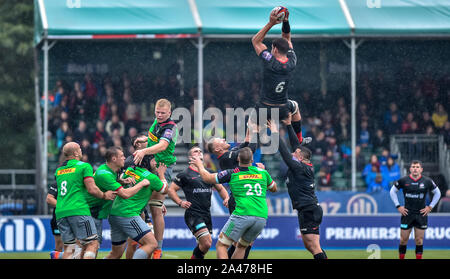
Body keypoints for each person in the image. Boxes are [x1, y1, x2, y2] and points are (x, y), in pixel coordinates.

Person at [191, 147, 277, 259]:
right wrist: (262, 174)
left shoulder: (232, 173)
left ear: (238, 159)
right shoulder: (263, 173)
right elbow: (274, 188)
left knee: (221, 245)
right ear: (252, 160)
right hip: (261, 217)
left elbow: (207, 178)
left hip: (242, 214)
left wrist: (199, 165)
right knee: (242, 247)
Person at [249, 7, 311, 145]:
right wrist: (286, 22)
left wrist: (271, 23)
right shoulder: (292, 61)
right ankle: (299, 140)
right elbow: (287, 38)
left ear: (275, 49)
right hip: (282, 108)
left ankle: (244, 150)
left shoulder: (269, 61)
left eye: (272, 48)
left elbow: (256, 41)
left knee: (252, 130)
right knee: (295, 106)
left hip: (264, 106)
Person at [267, 119, 327, 259]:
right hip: (306, 209)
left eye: (295, 154)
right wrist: (288, 124)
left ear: (300, 157)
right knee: (310, 246)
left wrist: (275, 132)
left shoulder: (300, 168)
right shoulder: (301, 165)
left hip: (309, 210)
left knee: (314, 246)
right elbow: (295, 145)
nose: (293, 154)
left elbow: (285, 153)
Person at [85, 146, 153, 257]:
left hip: (95, 214)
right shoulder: (105, 174)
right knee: (91, 246)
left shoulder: (110, 171)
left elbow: (110, 183)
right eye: (122, 156)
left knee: (109, 251)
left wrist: (121, 181)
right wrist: (142, 183)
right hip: (90, 213)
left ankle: (60, 255)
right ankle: (60, 255)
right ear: (114, 159)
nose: (125, 158)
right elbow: (125, 194)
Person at [206, 123, 260, 258]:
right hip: (238, 201)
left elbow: (247, 141)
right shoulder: (226, 157)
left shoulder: (231, 152)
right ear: (218, 148)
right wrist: (256, 133)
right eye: (221, 140)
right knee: (241, 242)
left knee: (245, 242)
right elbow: (250, 150)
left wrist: (249, 125)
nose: (224, 139)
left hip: (240, 199)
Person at [133, 98, 178, 258]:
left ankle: (157, 248)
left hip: (162, 168)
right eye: (157, 112)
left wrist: (144, 151)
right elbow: (154, 138)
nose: (159, 115)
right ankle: (142, 238)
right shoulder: (157, 123)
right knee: (139, 202)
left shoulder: (171, 127)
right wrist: (145, 140)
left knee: (156, 208)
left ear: (170, 113)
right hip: (151, 165)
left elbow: (163, 145)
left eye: (163, 113)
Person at [54, 142, 116, 259]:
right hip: (78, 209)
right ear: (76, 153)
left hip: (61, 212)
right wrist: (104, 195)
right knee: (92, 242)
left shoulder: (59, 171)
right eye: (80, 149)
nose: (81, 151)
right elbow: (92, 189)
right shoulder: (84, 166)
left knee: (69, 248)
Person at [168, 146, 229, 259]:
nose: (200, 153)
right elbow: (171, 189)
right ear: (191, 157)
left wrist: (226, 198)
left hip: (206, 213)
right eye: (196, 151)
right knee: (207, 243)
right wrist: (180, 202)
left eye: (201, 151)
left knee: (204, 247)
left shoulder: (209, 173)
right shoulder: (184, 174)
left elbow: (220, 188)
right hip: (193, 214)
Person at [105, 157, 169, 259]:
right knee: (152, 244)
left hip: (114, 214)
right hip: (128, 214)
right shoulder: (151, 177)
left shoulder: (130, 171)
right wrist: (161, 174)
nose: (156, 162)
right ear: (147, 161)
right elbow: (164, 190)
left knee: (115, 254)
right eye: (153, 160)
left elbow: (125, 183)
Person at [389, 160, 441, 259]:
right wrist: (398, 206)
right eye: (413, 167)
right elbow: (392, 191)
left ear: (421, 169)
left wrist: (430, 207)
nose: (415, 169)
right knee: (403, 240)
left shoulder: (427, 181)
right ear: (410, 169)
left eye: (417, 167)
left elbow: (437, 193)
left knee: (419, 240)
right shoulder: (404, 180)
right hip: (407, 214)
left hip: (421, 214)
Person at [46, 184, 64, 259]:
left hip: (75, 217)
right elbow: (49, 199)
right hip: (59, 219)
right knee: (59, 244)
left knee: (76, 245)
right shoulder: (57, 183)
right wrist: (64, 207)